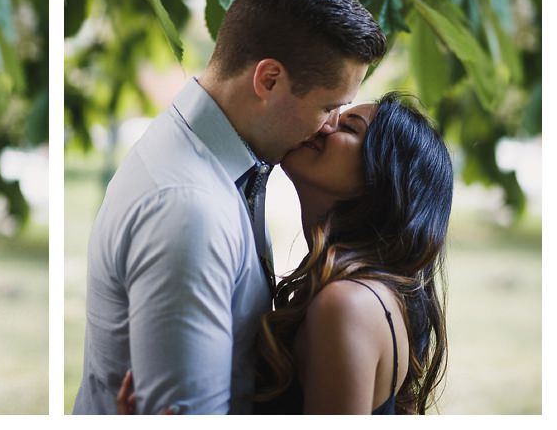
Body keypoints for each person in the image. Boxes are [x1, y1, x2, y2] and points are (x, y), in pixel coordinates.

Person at [73, 0, 387, 414]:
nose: (331, 126)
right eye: (328, 107)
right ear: (269, 80)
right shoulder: (190, 209)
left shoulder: (221, 162)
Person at [117, 93, 453, 415]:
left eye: (348, 127)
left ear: (382, 180)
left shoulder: (347, 305)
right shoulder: (363, 296)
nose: (324, 125)